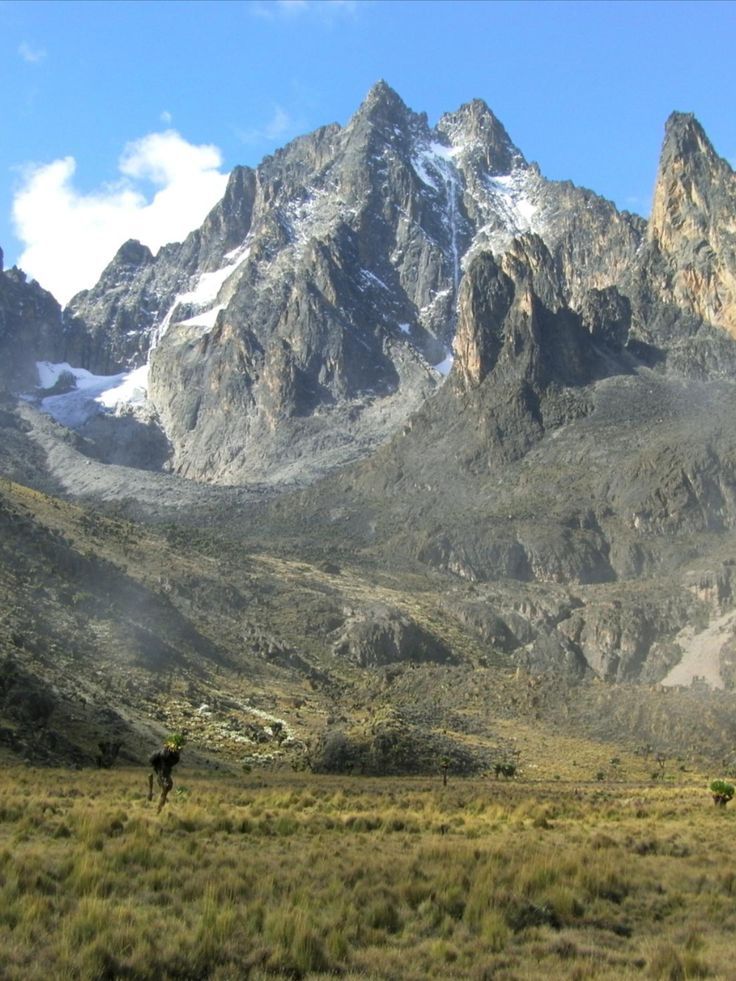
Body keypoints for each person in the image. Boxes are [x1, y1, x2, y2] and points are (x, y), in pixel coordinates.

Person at [148, 733, 185, 813]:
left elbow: (173, 760)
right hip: (163, 776)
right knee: (165, 790)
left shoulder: (171, 757)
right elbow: (166, 757)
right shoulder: (164, 755)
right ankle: (158, 809)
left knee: (165, 791)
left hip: (164, 775)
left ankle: (158, 805)